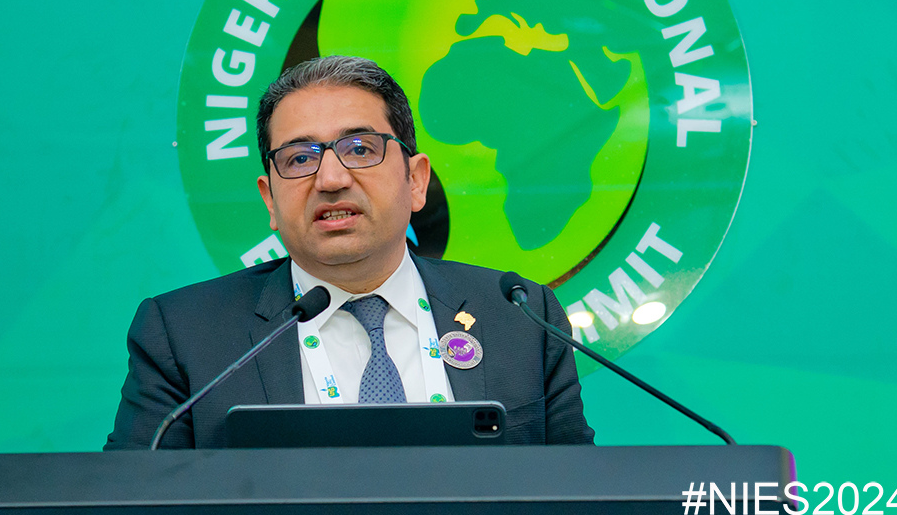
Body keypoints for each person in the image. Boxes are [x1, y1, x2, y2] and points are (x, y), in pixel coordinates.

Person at [106, 56, 594, 449]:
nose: (331, 179)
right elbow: (130, 510)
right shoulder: (185, 335)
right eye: (300, 158)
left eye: (360, 149)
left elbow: (580, 499)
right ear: (270, 199)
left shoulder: (520, 318)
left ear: (416, 180)